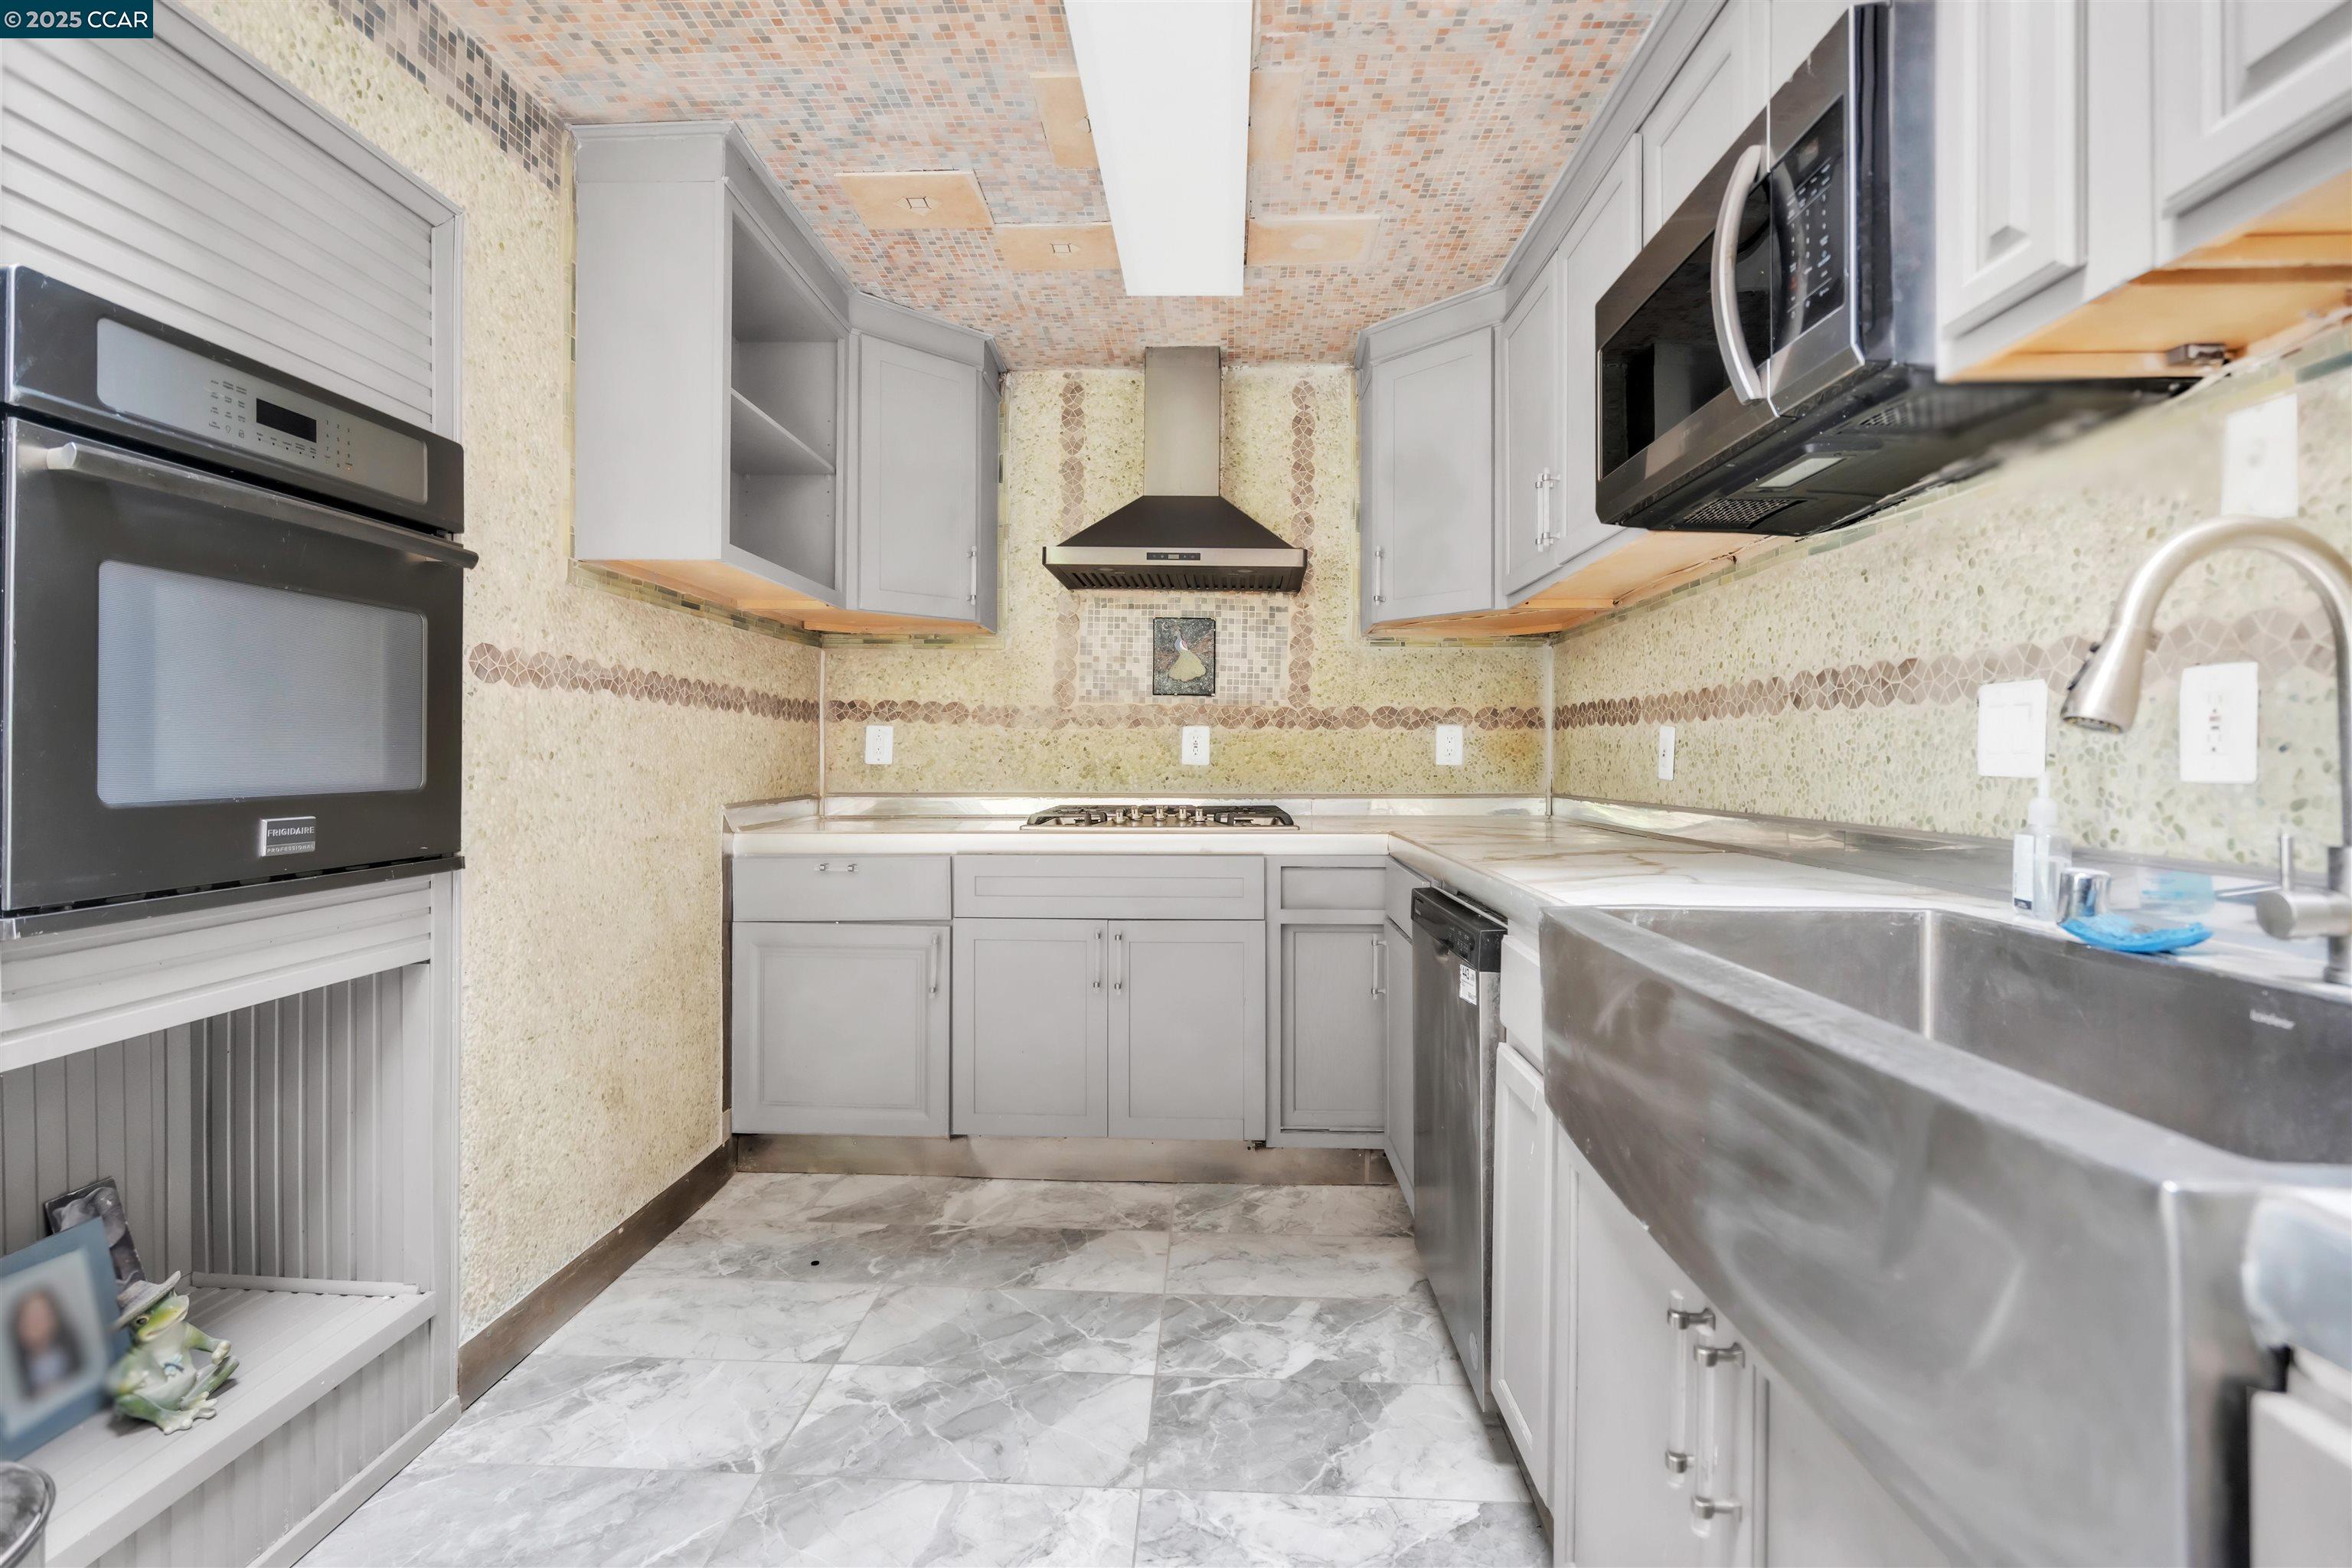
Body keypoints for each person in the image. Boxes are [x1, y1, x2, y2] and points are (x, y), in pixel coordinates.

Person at [11, 1286, 85, 1399]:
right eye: (30, 1320)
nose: (36, 1325)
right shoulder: (20, 1369)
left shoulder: (68, 1353)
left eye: (41, 1318)